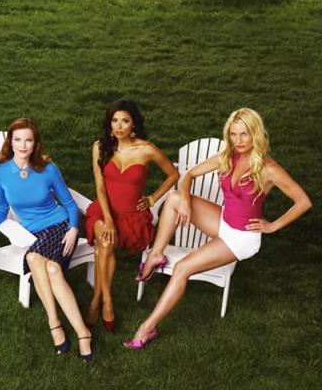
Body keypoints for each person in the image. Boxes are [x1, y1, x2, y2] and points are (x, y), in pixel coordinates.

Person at [126, 108, 312, 349]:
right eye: (233, 134)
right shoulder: (227, 156)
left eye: (244, 134)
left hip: (241, 238)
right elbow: (189, 175)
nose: (238, 141)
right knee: (174, 199)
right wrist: (185, 201)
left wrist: (272, 226)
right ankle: (156, 255)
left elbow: (303, 202)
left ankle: (147, 328)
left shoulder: (269, 169)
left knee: (182, 268)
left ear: (255, 133)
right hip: (224, 220)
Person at [0, 118, 93, 363]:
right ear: (10, 142)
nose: (23, 145)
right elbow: (2, 208)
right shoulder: (0, 174)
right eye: (18, 140)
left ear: (35, 143)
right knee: (51, 269)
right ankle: (81, 331)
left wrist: (74, 229)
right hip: (34, 234)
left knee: (33, 258)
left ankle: (56, 325)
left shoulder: (47, 169)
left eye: (28, 140)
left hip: (60, 226)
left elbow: (70, 204)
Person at [84, 99, 178, 332]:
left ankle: (96, 300)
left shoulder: (146, 149)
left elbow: (173, 175)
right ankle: (106, 302)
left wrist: (152, 199)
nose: (118, 126)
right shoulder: (100, 147)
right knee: (107, 241)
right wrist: (108, 220)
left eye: (125, 121)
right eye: (114, 120)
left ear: (133, 124)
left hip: (130, 216)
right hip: (104, 210)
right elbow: (100, 187)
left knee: (102, 248)